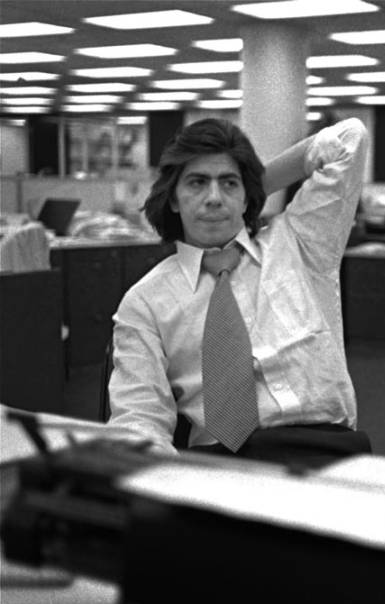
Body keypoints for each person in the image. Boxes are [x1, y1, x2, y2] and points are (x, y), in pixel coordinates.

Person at [107, 117, 370, 468]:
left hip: (326, 453)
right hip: (220, 465)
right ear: (173, 199)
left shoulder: (300, 243)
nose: (214, 198)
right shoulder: (144, 301)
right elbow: (139, 418)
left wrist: (254, 185)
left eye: (228, 183)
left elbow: (349, 138)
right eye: (197, 183)